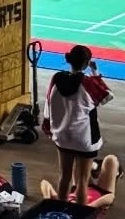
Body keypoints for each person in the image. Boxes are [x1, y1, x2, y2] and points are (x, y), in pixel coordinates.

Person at [45, 43, 105, 208]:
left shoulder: (56, 78)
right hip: (84, 138)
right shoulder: (88, 83)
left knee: (64, 176)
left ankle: (60, 212)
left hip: (62, 136)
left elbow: (48, 102)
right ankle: (79, 217)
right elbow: (105, 96)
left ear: (69, 60)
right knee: (82, 181)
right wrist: (95, 73)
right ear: (86, 64)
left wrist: (49, 127)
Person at [40, 152, 120, 219]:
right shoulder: (81, 215)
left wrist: (47, 200)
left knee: (78, 159)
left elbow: (44, 183)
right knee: (111, 159)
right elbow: (110, 198)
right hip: (101, 192)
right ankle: (112, 172)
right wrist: (89, 207)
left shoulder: (62, 206)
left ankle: (93, 168)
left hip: (81, 186)